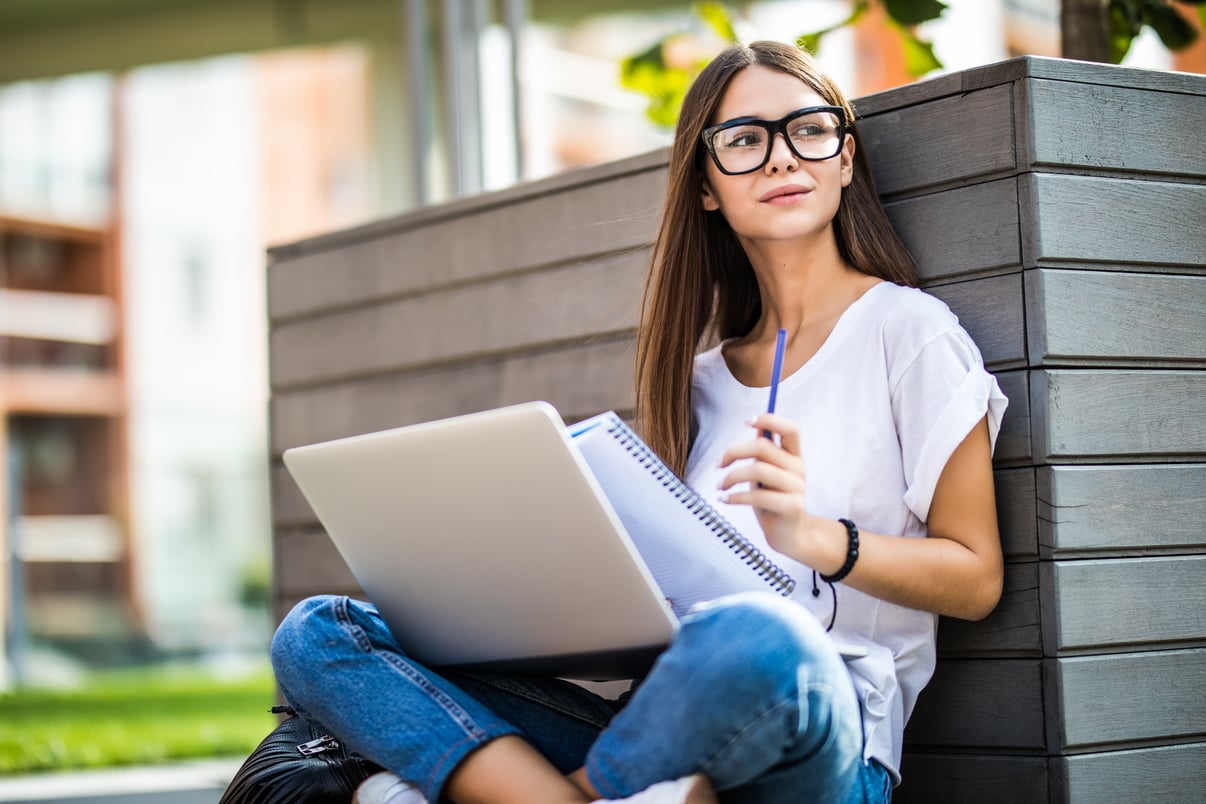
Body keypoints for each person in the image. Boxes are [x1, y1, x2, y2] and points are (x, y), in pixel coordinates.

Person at [270, 39, 1007, 804]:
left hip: (819, 737)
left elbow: (976, 576)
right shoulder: (699, 382)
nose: (784, 158)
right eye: (746, 141)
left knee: (760, 635)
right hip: (658, 729)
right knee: (321, 632)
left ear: (845, 158)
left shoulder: (908, 332)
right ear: (707, 188)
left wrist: (815, 539)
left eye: (809, 130)